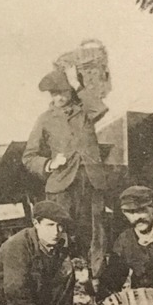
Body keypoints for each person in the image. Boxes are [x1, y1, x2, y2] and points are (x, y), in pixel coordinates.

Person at [22, 65, 110, 279]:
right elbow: (28, 156)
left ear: (70, 91)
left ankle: (96, 280)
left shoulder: (85, 112)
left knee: (96, 233)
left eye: (62, 92)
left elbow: (100, 108)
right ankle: (63, 278)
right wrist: (49, 164)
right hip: (61, 184)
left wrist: (78, 83)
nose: (57, 97)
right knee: (59, 232)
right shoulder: (45, 119)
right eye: (53, 93)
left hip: (91, 181)